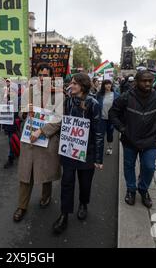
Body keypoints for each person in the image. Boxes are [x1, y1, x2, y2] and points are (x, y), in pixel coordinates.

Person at [52, 73, 104, 234]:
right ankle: (64, 214)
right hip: (69, 150)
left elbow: (98, 132)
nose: (71, 85)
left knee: (85, 182)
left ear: (83, 85)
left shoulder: (93, 103)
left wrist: (98, 158)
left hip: (87, 152)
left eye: (74, 83)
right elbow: (62, 123)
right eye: (71, 83)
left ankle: (83, 203)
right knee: (67, 183)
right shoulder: (67, 102)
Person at [109, 70, 156, 208]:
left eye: (150, 80)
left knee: (149, 166)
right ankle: (131, 189)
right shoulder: (126, 97)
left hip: (150, 140)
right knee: (129, 166)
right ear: (136, 82)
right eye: (144, 80)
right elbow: (113, 113)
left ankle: (143, 189)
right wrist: (122, 129)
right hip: (130, 140)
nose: (147, 83)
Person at [12, 64, 62, 222]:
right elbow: (21, 113)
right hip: (29, 139)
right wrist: (26, 111)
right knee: (26, 173)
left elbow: (59, 119)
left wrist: (41, 131)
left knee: (45, 171)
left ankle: (46, 196)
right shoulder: (29, 92)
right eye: (39, 75)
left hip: (46, 138)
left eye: (45, 75)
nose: (42, 78)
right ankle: (22, 206)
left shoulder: (58, 95)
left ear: (51, 77)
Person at [1, 79, 22, 169]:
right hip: (7, 123)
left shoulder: (19, 99)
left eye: (11, 90)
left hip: (14, 123)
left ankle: (11, 157)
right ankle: (15, 153)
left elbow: (20, 113)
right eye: (9, 90)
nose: (9, 91)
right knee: (11, 140)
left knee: (11, 140)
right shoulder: (6, 99)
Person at [96, 79, 119, 155]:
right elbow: (96, 105)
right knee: (100, 134)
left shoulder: (116, 95)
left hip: (111, 119)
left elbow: (119, 107)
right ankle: (99, 149)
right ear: (103, 85)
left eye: (109, 84)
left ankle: (110, 148)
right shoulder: (99, 95)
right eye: (106, 84)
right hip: (102, 118)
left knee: (110, 134)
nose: (108, 85)